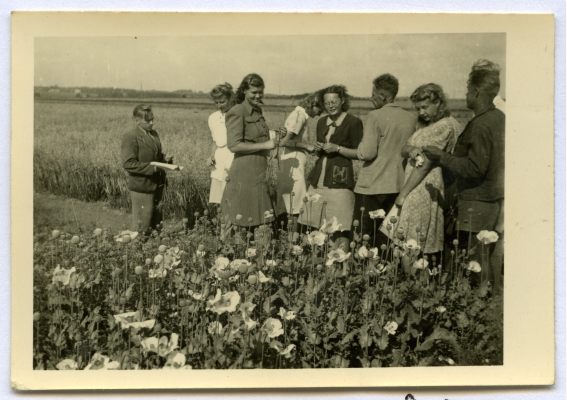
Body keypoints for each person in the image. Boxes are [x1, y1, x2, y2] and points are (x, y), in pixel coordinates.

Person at [423, 64, 504, 290]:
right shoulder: (498, 118)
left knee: (474, 261)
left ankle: (476, 301)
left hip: (475, 202)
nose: (466, 95)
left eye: (468, 90)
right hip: (491, 201)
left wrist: (441, 156)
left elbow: (475, 168)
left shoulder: (480, 124)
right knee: (485, 258)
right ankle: (486, 299)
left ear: (476, 92)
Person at [393, 83, 462, 255]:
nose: (421, 112)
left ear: (438, 103)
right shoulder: (427, 125)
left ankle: (414, 272)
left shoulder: (445, 126)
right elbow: (404, 148)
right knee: (410, 240)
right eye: (418, 108)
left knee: (411, 242)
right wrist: (411, 150)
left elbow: (425, 165)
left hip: (423, 186)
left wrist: (403, 194)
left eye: (425, 107)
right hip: (415, 184)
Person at [353, 74, 417, 245]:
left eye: (373, 94)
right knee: (387, 237)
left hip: (372, 187)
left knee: (363, 236)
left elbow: (367, 153)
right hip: (398, 185)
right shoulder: (411, 118)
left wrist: (357, 148)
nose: (371, 98)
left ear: (383, 96)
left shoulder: (375, 116)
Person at [298, 85, 363, 246]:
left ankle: (340, 258)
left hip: (340, 181)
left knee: (340, 226)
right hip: (318, 180)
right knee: (311, 224)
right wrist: (317, 148)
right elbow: (319, 152)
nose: (330, 106)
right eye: (327, 103)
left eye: (334, 101)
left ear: (342, 101)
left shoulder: (354, 122)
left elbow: (360, 153)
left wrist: (338, 148)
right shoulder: (321, 122)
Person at [221, 73, 282, 228]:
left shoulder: (257, 111)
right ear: (244, 91)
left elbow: (257, 137)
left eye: (260, 92)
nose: (258, 96)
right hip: (245, 172)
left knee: (263, 219)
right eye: (254, 92)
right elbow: (234, 145)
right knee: (243, 220)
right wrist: (265, 145)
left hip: (260, 170)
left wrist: (275, 136)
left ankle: (262, 244)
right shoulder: (237, 111)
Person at [121, 104, 173, 234]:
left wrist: (165, 160)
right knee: (141, 228)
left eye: (152, 119)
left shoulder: (154, 134)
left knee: (156, 226)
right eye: (148, 120)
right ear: (136, 120)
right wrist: (152, 168)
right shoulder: (131, 136)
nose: (152, 123)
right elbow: (128, 163)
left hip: (157, 185)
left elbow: (155, 156)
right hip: (141, 187)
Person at [275, 91, 323, 227]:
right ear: (313, 104)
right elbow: (285, 142)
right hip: (293, 160)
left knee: (292, 199)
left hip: (292, 158)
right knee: (295, 199)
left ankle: (287, 230)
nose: (319, 114)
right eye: (319, 109)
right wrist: (307, 146)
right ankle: (292, 231)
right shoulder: (299, 116)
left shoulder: (300, 115)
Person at [206, 83, 235, 205]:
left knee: (232, 197)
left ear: (230, 98)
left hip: (234, 158)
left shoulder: (237, 115)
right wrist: (211, 156)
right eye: (216, 102)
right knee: (218, 200)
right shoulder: (213, 118)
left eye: (222, 102)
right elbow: (215, 141)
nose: (219, 105)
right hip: (219, 161)